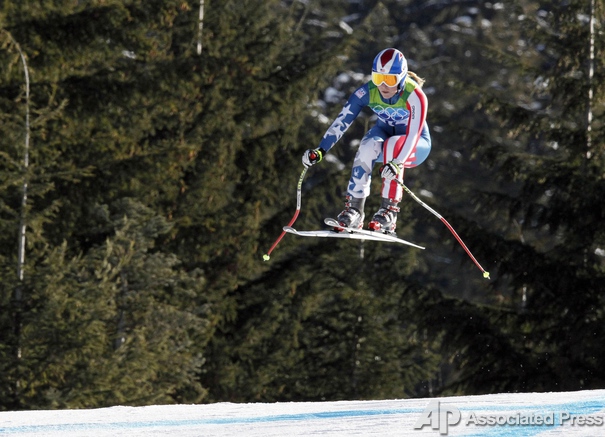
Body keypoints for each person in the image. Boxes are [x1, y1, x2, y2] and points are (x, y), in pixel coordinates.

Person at [302, 48, 431, 234]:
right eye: (378, 78)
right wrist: (321, 150)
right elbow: (341, 122)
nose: (384, 86)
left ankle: (389, 212)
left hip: (415, 146)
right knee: (368, 144)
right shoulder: (367, 92)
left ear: (402, 78)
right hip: (387, 140)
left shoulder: (415, 95)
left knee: (393, 144)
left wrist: (396, 163)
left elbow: (412, 135)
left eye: (390, 80)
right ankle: (354, 209)